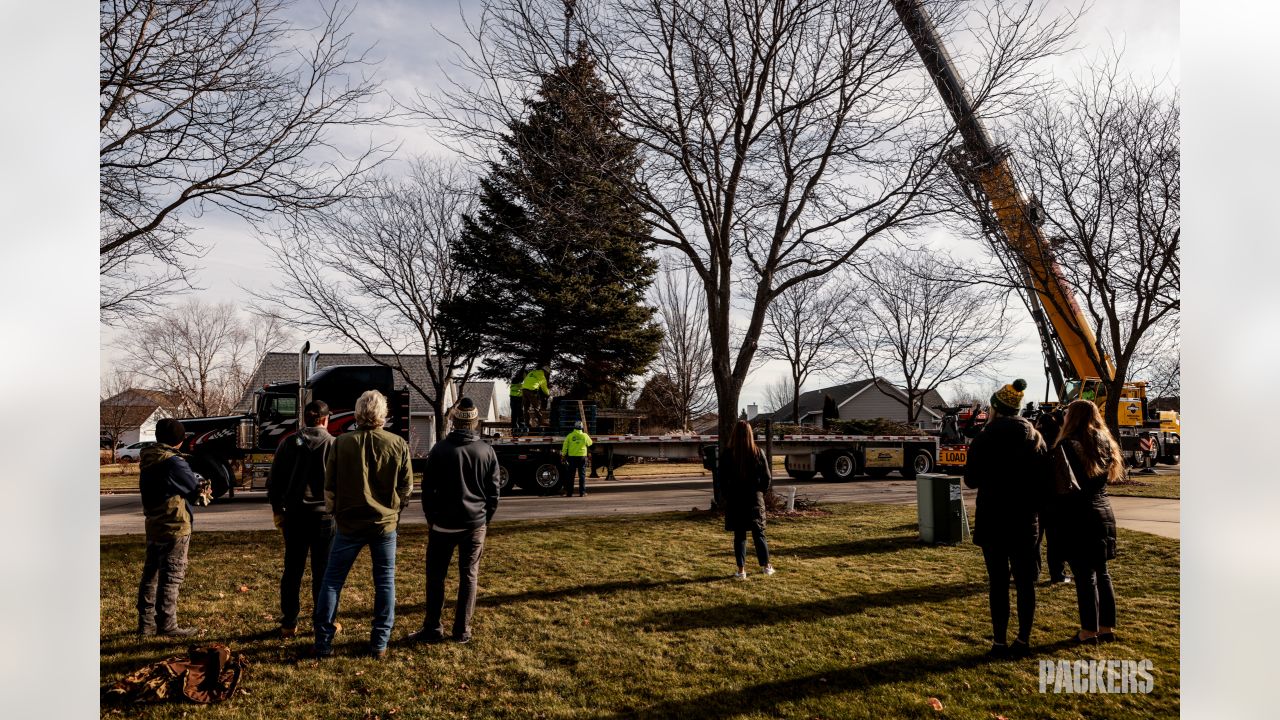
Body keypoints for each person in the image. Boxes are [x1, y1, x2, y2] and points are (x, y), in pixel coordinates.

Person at [311, 390, 412, 660]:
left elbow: (329, 485)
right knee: (385, 583)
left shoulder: (342, 443)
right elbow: (406, 487)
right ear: (383, 414)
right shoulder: (397, 443)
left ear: (357, 413)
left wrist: (335, 512)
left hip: (348, 523)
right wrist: (395, 510)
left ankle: (323, 643)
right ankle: (379, 642)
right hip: (384, 524)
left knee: (332, 582)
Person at [963, 379, 1048, 658]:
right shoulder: (1036, 439)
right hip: (1026, 520)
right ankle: (1023, 640)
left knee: (998, 583)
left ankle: (999, 642)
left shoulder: (984, 439)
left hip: (994, 519)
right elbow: (1044, 482)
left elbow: (971, 480)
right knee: (1025, 583)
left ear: (996, 409)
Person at [410, 397, 501, 645]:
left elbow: (427, 491)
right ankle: (462, 630)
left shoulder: (439, 450)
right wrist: (485, 519)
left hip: (442, 525)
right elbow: (493, 493)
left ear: (454, 421)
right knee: (469, 575)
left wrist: (431, 519)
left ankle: (433, 627)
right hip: (474, 523)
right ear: (473, 423)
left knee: (436, 576)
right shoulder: (486, 451)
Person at [1053, 399, 1121, 645]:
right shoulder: (1104, 442)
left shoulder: (1066, 446)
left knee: (1084, 576)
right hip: (1103, 511)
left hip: (1078, 514)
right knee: (1102, 572)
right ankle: (1106, 627)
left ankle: (1088, 631)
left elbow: (1061, 486)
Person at [267, 400, 336, 639]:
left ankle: (289, 622)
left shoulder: (288, 443)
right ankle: (322, 621)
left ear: (304, 418)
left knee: (292, 570)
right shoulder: (333, 444)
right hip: (325, 517)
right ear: (326, 419)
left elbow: (274, 482)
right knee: (323, 573)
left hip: (294, 515)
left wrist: (278, 511)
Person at [137, 418, 211, 637]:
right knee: (171, 577)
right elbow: (193, 487)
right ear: (179, 440)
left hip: (154, 523)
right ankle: (168, 625)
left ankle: (146, 625)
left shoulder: (149, 457)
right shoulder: (173, 462)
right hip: (174, 524)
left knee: (150, 575)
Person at [720, 420, 774, 580]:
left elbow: (722, 479)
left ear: (734, 434)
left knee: (740, 535)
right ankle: (766, 566)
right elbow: (767, 477)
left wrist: (727, 495)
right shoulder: (758, 452)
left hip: (736, 499)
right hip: (754, 499)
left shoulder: (728, 454)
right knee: (759, 534)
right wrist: (760, 493)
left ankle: (741, 570)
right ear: (750, 433)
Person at [1032, 408, 1070, 585]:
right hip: (1056, 498)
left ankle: (1033, 572)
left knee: (1035, 540)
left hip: (1036, 497)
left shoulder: (1034, 445)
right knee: (1056, 539)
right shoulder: (1061, 445)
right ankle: (1058, 573)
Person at [561, 420, 593, 497]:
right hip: (582, 457)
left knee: (571, 476)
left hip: (572, 458)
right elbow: (590, 444)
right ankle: (582, 492)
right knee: (582, 476)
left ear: (574, 427)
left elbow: (565, 447)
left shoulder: (570, 436)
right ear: (582, 427)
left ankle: (569, 493)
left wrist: (563, 456)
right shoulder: (585, 436)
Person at [509, 370, 526, 435]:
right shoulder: (521, 381)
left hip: (512, 398)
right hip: (518, 398)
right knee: (520, 413)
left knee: (514, 414)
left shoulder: (514, 379)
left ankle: (514, 430)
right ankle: (521, 429)